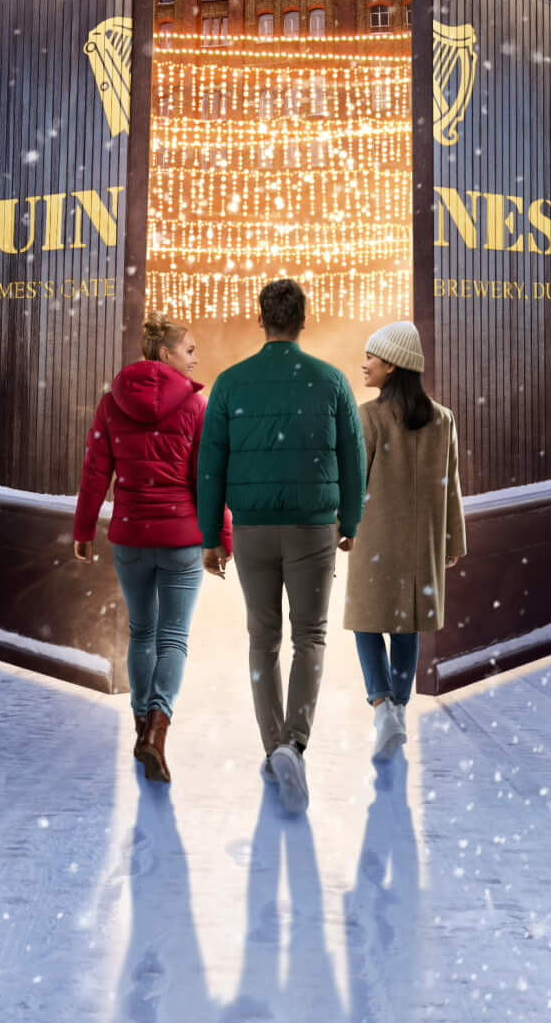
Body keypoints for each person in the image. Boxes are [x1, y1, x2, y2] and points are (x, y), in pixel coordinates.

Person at [196, 278, 365, 816]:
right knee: (309, 636)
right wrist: (351, 520)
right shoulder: (333, 381)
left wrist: (209, 536)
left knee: (261, 640)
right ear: (303, 321)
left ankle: (274, 748)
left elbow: (211, 465)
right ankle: (296, 743)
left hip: (251, 530)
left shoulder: (229, 383)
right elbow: (353, 457)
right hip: (314, 526)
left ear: (261, 319)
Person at [75, 313, 228, 784]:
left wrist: (83, 528)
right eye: (189, 350)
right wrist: (221, 538)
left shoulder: (111, 403)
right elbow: (208, 480)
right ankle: (158, 731)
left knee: (141, 632)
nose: (195, 359)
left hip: (131, 537)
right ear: (165, 354)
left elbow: (96, 471)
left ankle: (142, 724)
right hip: (181, 539)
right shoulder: (195, 407)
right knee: (173, 637)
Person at [343, 321, 466, 762]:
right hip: (422, 543)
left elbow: (353, 484)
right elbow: (451, 486)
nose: (364, 364)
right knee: (407, 623)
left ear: (392, 365)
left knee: (366, 621)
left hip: (374, 538)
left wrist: (342, 528)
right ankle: (399, 704)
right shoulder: (443, 418)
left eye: (371, 357)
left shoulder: (368, 416)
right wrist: (452, 541)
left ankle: (383, 707)